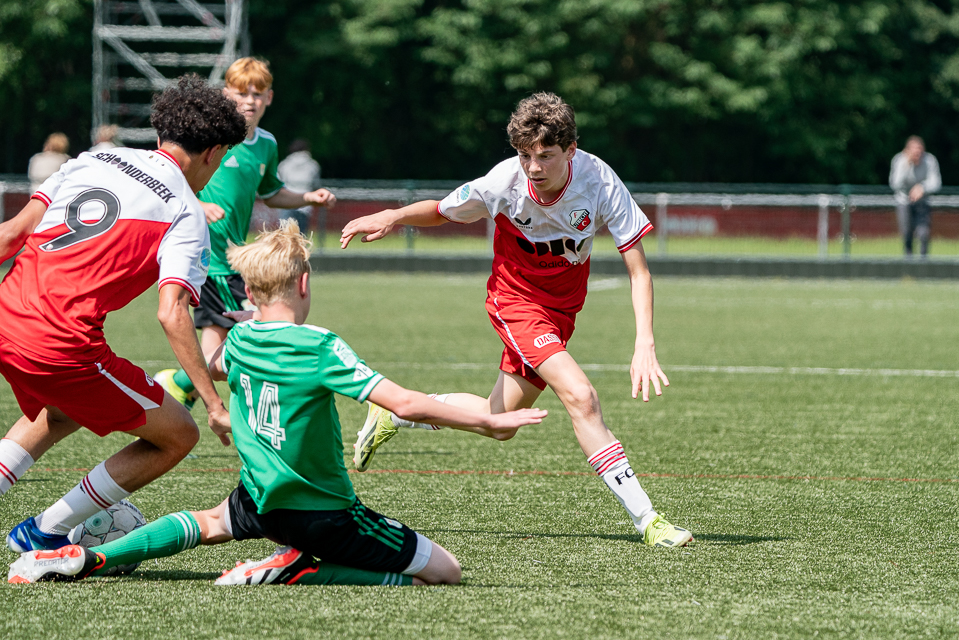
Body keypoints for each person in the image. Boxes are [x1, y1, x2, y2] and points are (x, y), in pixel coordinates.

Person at [7, 222, 546, 585]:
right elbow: (403, 403)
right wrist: (486, 419)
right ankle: (303, 570)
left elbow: (210, 366)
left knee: (212, 521)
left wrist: (208, 395)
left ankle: (84, 556)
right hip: (325, 516)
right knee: (446, 571)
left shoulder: (238, 341)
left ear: (249, 292)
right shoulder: (320, 346)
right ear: (304, 282)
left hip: (260, 502)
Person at [341, 92, 692, 548]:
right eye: (526, 156)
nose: (534, 168)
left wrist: (645, 341)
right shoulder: (502, 182)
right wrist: (394, 214)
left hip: (562, 311)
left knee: (498, 420)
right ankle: (648, 520)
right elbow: (443, 210)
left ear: (571, 149)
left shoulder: (600, 181)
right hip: (516, 303)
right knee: (581, 396)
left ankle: (396, 413)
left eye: (546, 156)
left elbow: (638, 269)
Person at [0, 74, 246, 553]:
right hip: (60, 345)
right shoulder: (186, 210)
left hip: (4, 315)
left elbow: (11, 235)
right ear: (214, 152)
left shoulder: (94, 158)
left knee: (67, 408)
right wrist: (215, 406)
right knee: (178, 434)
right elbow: (172, 312)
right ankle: (44, 531)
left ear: (161, 134)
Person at [154, 57, 336, 409]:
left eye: (258, 93)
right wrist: (197, 206)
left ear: (270, 97)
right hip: (211, 258)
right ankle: (186, 389)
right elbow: (170, 175)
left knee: (222, 342)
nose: (250, 100)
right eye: (241, 92)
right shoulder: (212, 137)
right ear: (226, 94)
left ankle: (177, 395)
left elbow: (271, 193)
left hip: (234, 259)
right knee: (261, 326)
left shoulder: (266, 143)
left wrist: (306, 197)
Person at [889, 135, 941, 257]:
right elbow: (895, 184)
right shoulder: (899, 160)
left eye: (919, 148)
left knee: (923, 234)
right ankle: (909, 262)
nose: (917, 152)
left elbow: (936, 183)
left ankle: (923, 264)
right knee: (906, 234)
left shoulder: (930, 160)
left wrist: (922, 188)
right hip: (903, 202)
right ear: (907, 150)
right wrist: (907, 165)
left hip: (923, 203)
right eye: (914, 149)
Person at [277, 138, 323, 237]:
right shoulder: (313, 165)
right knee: (301, 238)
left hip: (286, 202)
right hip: (305, 204)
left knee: (285, 238)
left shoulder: (285, 164)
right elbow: (316, 184)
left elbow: (278, 183)